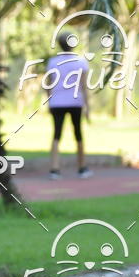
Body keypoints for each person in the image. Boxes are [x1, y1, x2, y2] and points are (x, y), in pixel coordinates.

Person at [45, 31, 92, 179]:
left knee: (56, 134)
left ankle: (54, 168)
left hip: (56, 102)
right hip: (75, 102)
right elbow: (84, 86)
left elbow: (48, 84)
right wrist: (88, 106)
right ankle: (82, 168)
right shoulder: (81, 62)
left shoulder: (52, 62)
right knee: (78, 134)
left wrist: (49, 100)